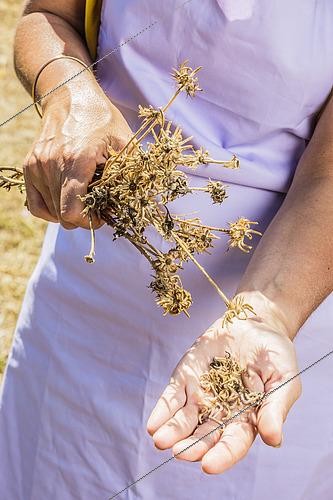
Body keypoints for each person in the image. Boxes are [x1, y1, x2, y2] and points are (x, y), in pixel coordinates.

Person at [1, 0, 333, 498]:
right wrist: (70, 94)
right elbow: (46, 16)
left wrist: (266, 314)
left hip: (269, 329)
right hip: (82, 311)